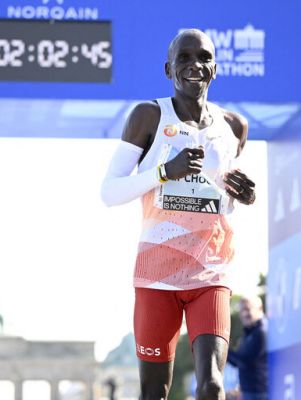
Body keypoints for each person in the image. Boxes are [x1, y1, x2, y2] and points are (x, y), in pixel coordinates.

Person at [101, 29, 256, 400]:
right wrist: (164, 172)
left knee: (213, 385)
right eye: (184, 58)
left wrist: (245, 194)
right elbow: (109, 191)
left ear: (215, 69)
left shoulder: (234, 126)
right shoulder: (147, 115)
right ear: (168, 67)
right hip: (157, 274)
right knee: (155, 391)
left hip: (211, 272)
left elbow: (224, 194)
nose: (194, 66)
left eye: (203, 58)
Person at [227, 296, 268, 400]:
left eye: (247, 309)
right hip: (250, 392)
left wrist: (224, 349)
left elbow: (245, 361)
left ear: (260, 308)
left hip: (259, 393)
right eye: (241, 310)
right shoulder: (250, 331)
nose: (244, 314)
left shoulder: (262, 331)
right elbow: (238, 362)